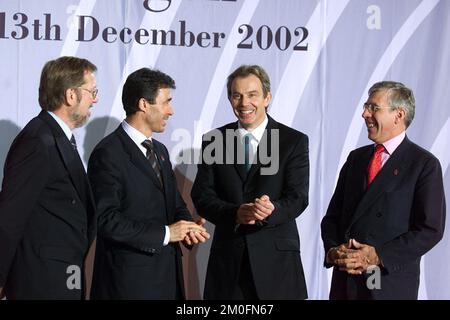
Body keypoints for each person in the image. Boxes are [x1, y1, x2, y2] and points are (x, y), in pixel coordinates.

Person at [88, 68, 209, 299]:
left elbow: (174, 203)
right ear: (144, 104)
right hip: (129, 285)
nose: (171, 111)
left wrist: (186, 226)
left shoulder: (160, 151)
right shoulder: (108, 153)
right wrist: (166, 233)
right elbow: (106, 220)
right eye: (166, 102)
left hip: (167, 281)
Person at [191, 65, 309, 300]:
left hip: (277, 267)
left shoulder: (292, 141)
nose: (244, 103)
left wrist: (271, 209)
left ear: (267, 97)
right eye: (237, 95)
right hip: (228, 268)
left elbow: (298, 197)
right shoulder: (214, 140)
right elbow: (202, 197)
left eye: (252, 94)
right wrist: (235, 213)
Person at [321, 81, 446, 300]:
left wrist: (377, 255)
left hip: (387, 282)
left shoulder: (423, 164)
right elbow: (332, 218)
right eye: (366, 107)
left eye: (373, 108)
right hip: (346, 283)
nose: (364, 114)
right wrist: (333, 251)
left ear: (398, 115)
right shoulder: (356, 159)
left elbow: (429, 229)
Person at [0, 56, 98, 299]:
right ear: (70, 95)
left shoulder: (56, 137)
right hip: (41, 282)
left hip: (62, 276)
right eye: (92, 91)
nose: (95, 99)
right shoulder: (37, 140)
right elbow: (9, 217)